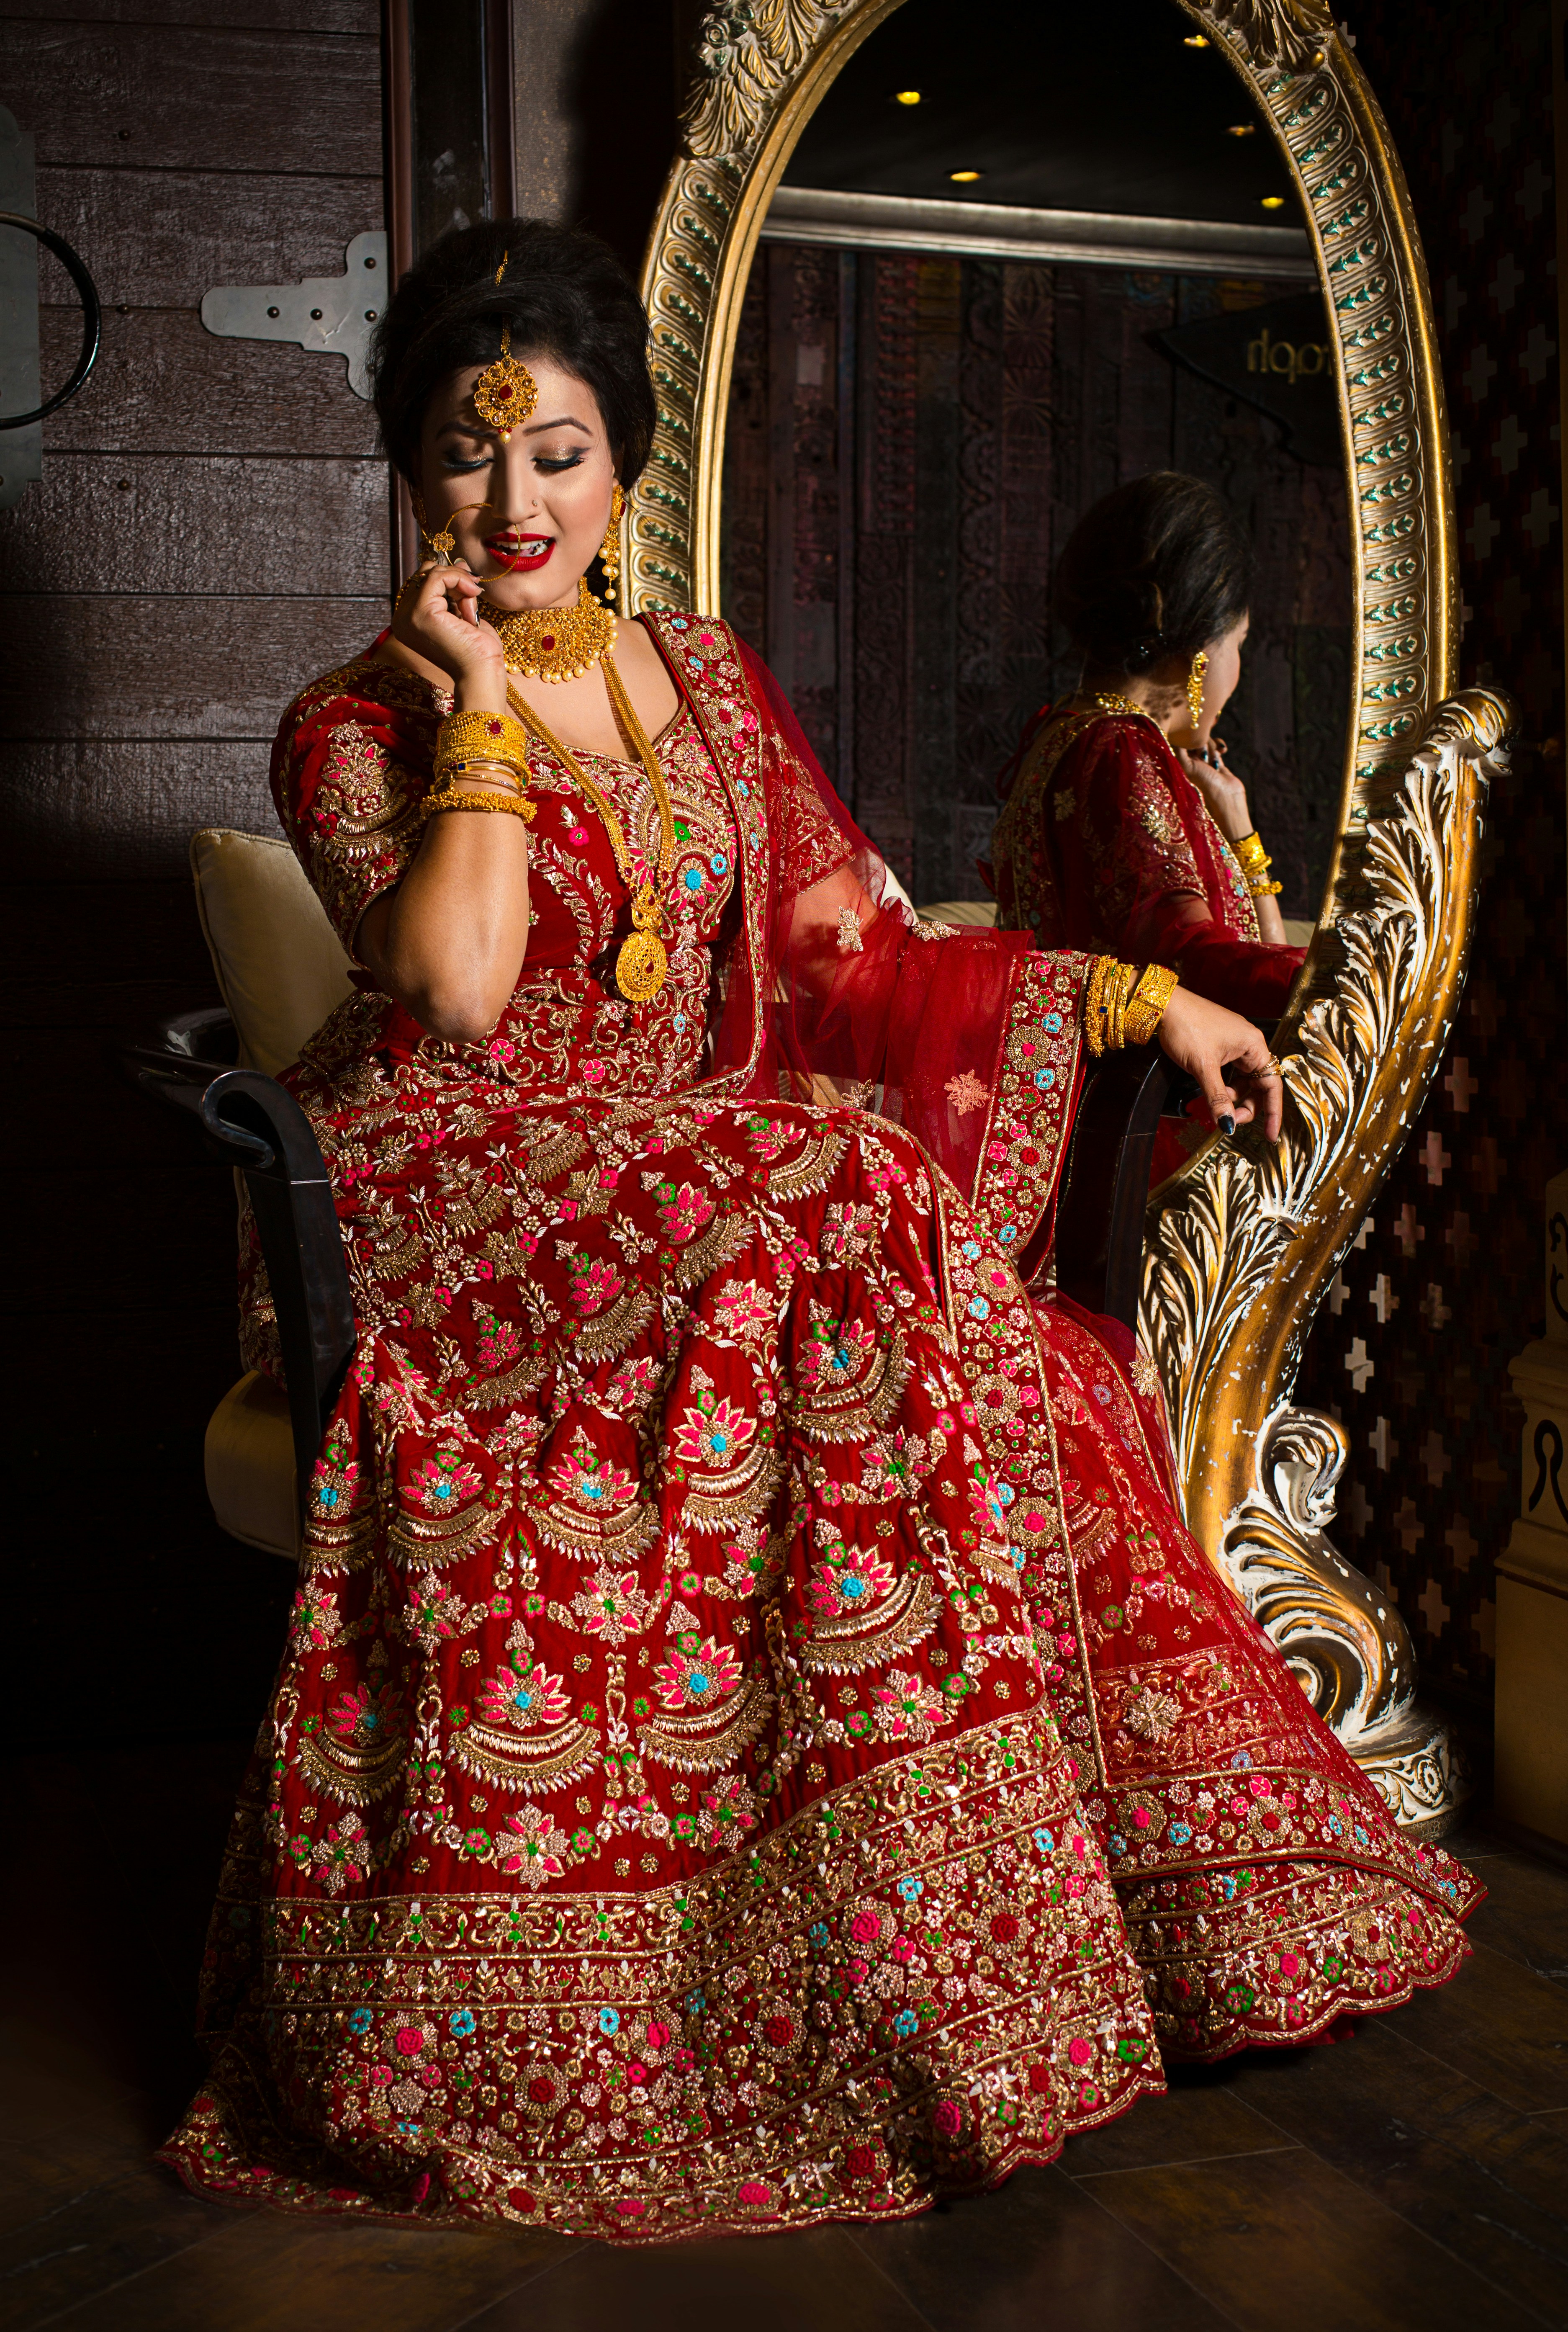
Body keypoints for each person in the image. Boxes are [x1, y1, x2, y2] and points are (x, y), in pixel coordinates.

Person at [160, 224, 1478, 2243]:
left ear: (619, 475)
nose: (510, 502)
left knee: (872, 1218)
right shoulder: (352, 724)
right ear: (402, 472)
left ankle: (929, 1960)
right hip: (443, 1190)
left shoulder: (702, 684)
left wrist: (1133, 999)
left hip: (689, 1176)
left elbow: (849, 961)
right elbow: (458, 987)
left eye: (559, 455)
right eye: (462, 451)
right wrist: (487, 706)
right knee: (831, 1180)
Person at [990, 473, 1307, 1022]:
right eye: (1238, 644)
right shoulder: (1117, 750)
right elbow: (1182, 964)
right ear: (1198, 653)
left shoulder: (1066, 732)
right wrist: (1345, 975)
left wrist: (1239, 827)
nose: (1238, 671)